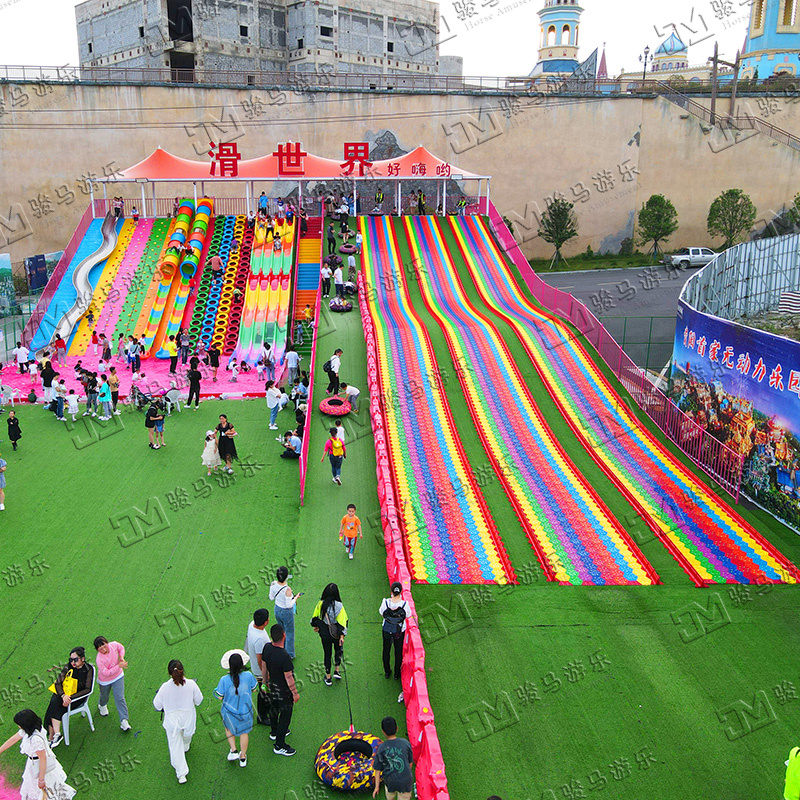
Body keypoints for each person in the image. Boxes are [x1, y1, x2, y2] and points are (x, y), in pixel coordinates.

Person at [0, 709, 76, 800]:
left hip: (40, 767)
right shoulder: (32, 729)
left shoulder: (35, 739)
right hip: (34, 764)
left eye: (19, 724)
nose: (19, 726)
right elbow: (14, 739)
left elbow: (42, 759)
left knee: (46, 792)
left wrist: (41, 779)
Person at [153, 660, 203, 784]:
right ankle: (186, 745)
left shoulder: (165, 687)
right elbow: (199, 700)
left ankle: (181, 774)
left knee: (175, 746)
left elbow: (157, 705)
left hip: (172, 720)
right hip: (188, 717)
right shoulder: (191, 684)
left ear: (169, 673)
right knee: (187, 735)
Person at [44, 647, 95, 748]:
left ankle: (52, 736)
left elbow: (87, 689)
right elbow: (58, 683)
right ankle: (55, 735)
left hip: (78, 698)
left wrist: (70, 698)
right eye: (71, 660)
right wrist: (64, 696)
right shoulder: (68, 667)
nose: (73, 662)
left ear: (82, 659)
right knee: (55, 700)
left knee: (54, 704)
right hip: (65, 696)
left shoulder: (88, 670)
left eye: (75, 660)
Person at [214, 650, 257, 768]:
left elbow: (219, 696)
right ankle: (242, 757)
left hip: (229, 712)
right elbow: (254, 689)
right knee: (244, 733)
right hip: (246, 711)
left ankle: (233, 750)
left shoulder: (224, 680)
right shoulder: (248, 676)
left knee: (229, 729)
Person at [261, 624, 298, 756]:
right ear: (284, 635)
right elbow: (289, 678)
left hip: (272, 687)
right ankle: (279, 744)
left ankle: (274, 731)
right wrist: (295, 693)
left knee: (273, 709)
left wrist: (265, 683)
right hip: (284, 692)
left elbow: (264, 667)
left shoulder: (267, 648)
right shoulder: (284, 656)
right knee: (285, 716)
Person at [310, 584, 348, 686]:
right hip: (336, 634)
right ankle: (337, 670)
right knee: (338, 651)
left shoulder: (320, 604)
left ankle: (328, 677)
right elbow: (343, 622)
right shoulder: (339, 606)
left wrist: (317, 626)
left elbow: (314, 618)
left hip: (325, 634)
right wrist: (342, 636)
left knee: (327, 654)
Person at [93, 637, 131, 731]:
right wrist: (119, 666)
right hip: (105, 681)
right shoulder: (99, 660)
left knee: (120, 698)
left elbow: (121, 648)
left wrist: (121, 657)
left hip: (118, 677)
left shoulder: (113, 645)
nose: (104, 650)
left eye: (105, 646)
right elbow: (106, 673)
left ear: (107, 643)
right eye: (100, 649)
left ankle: (124, 720)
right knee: (104, 695)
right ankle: (102, 705)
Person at [372, 716, 414, 800]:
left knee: (390, 796)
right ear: (397, 729)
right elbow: (410, 763)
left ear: (383, 732)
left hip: (390, 781)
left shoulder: (381, 748)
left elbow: (377, 770)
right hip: (406, 781)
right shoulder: (405, 743)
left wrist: (377, 786)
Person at [379, 583, 409, 682]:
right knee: (398, 651)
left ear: (391, 591)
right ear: (401, 591)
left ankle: (387, 671)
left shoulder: (385, 602)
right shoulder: (405, 604)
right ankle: (397, 673)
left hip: (387, 630)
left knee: (386, 650)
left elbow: (381, 612)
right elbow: (408, 615)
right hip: (399, 631)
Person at [269, 567, 300, 658]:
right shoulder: (287, 589)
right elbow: (289, 605)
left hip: (277, 609)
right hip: (286, 612)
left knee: (281, 629)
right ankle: (289, 654)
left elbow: (271, 598)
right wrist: (295, 598)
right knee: (289, 632)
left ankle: (281, 647)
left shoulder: (274, 585)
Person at [244, 608, 271, 682]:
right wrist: (265, 675)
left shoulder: (252, 624)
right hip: (260, 672)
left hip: (256, 667)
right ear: (266, 622)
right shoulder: (259, 639)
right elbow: (260, 660)